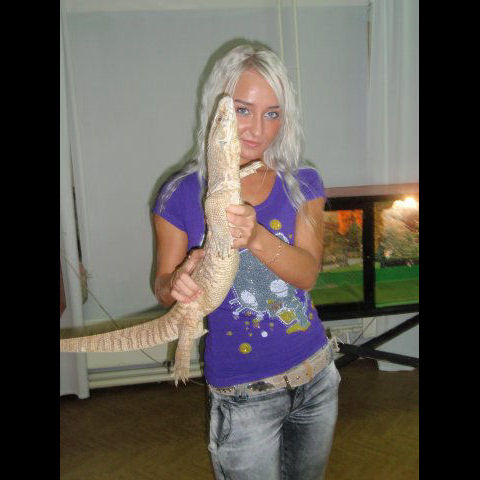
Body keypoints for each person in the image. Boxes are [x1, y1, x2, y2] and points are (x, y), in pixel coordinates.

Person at [152, 41, 340, 480]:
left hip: (316, 376)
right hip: (243, 394)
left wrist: (255, 237)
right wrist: (176, 283)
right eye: (243, 110)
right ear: (217, 109)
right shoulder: (180, 193)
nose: (258, 129)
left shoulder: (301, 183)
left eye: (272, 113)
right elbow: (161, 287)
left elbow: (308, 274)